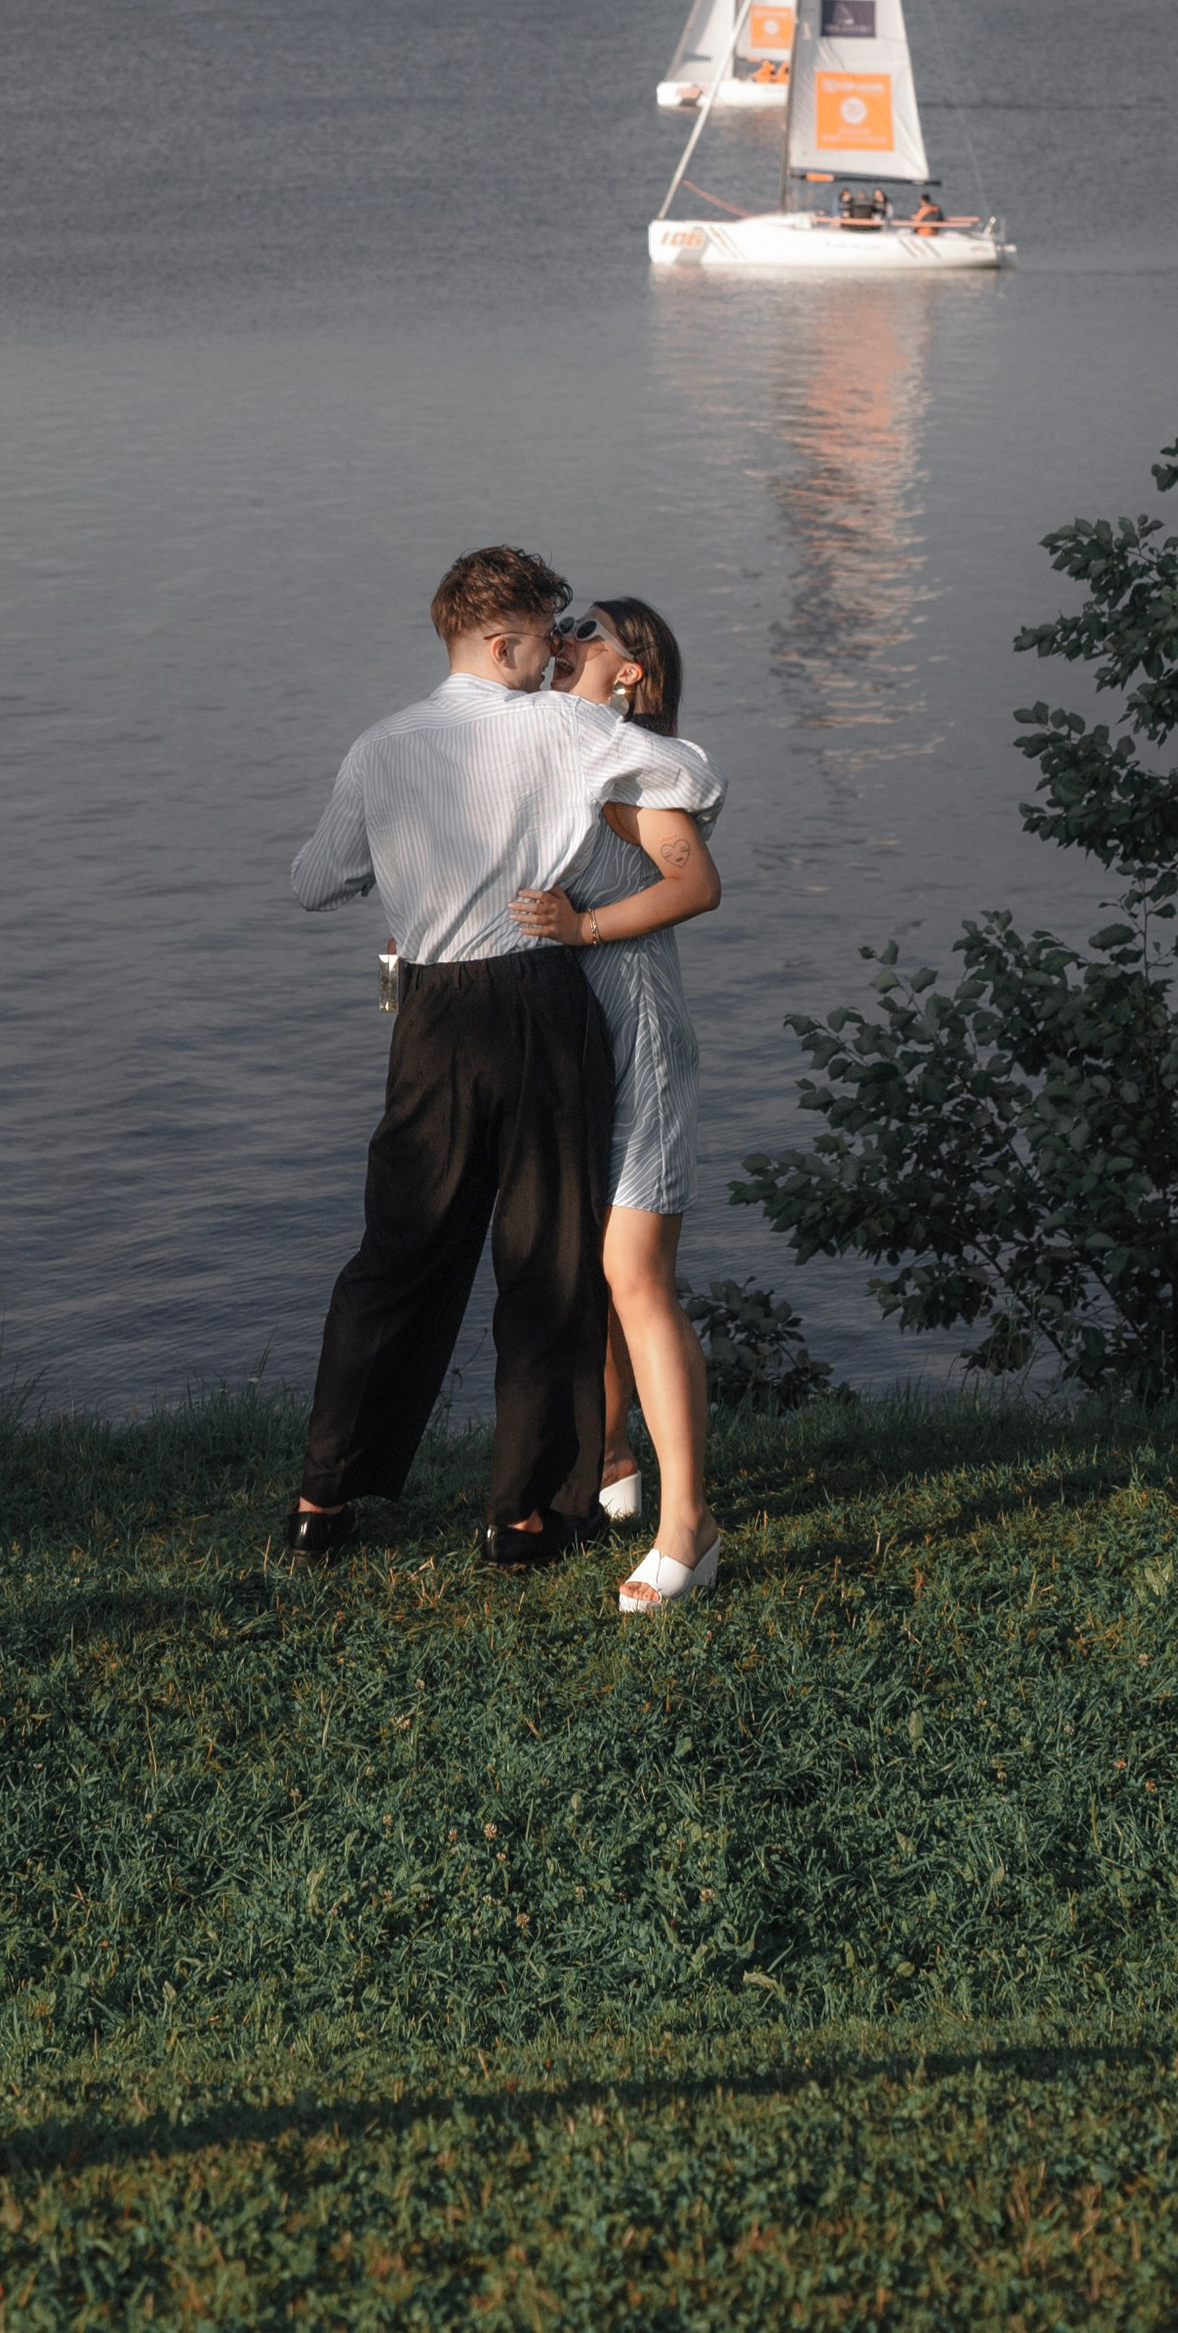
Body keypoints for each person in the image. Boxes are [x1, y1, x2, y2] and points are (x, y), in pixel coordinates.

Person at [287, 546, 722, 1571]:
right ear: (503, 639)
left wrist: (394, 873)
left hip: (429, 1013)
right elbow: (698, 776)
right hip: (534, 1001)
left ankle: (322, 1501)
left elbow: (313, 880)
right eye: (540, 640)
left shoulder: (379, 745)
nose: (549, 656)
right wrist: (610, 735)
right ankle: (521, 1518)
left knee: (394, 1258)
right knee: (543, 1266)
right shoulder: (570, 730)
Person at [513, 598, 726, 1616]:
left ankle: (690, 1526)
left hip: (634, 1034)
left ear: (631, 672)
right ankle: (607, 1461)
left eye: (584, 629)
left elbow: (694, 883)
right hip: (567, 1042)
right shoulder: (566, 760)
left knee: (633, 1272)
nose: (561, 639)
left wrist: (584, 926)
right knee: (584, 1266)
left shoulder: (635, 768)